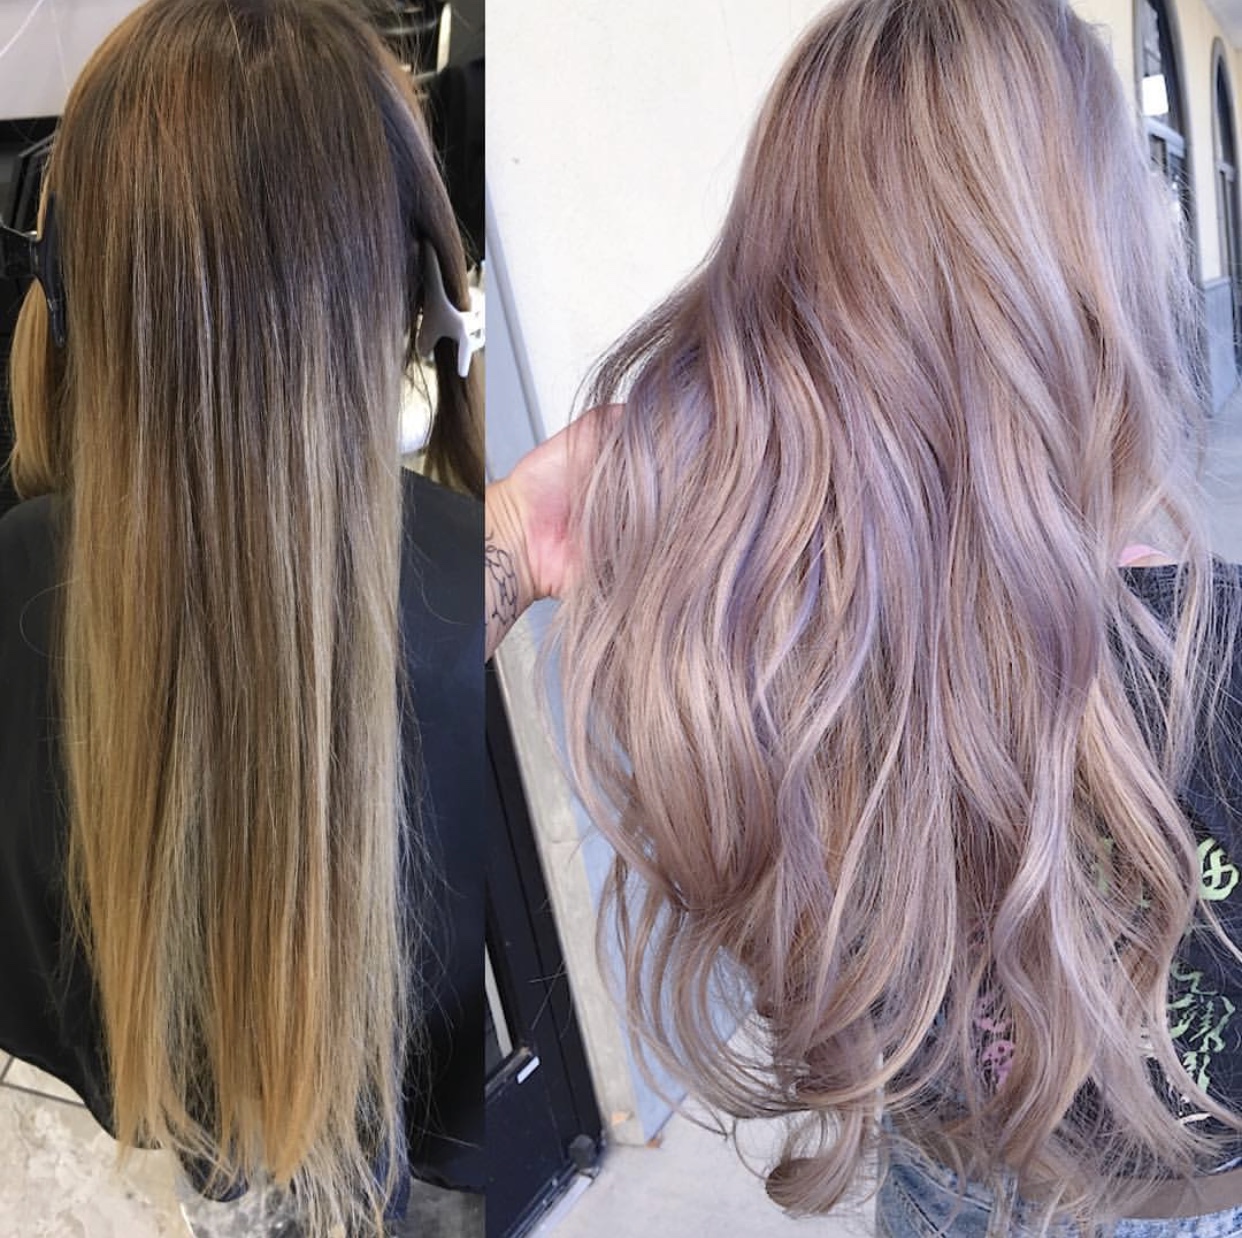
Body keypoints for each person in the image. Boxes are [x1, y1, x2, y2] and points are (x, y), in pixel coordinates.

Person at [486, 0, 1242, 1232]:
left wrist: (511, 540)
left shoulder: (792, 650)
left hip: (939, 1175)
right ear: (1100, 271)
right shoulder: (1214, 641)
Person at [0, 1, 483, 1233]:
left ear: (67, 296)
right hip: (378, 1138)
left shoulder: (20, 574)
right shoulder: (472, 589)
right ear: (424, 304)